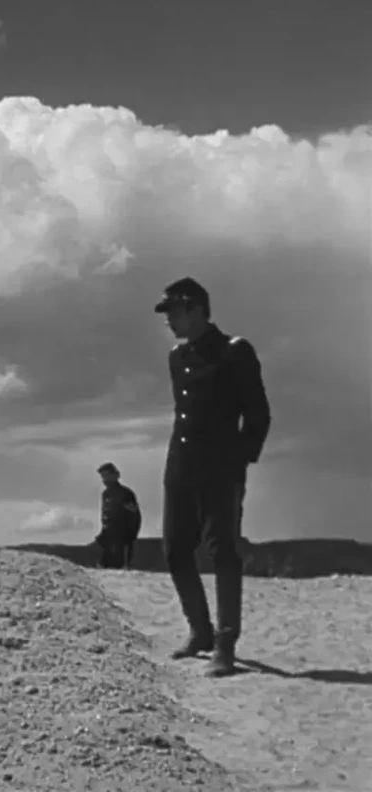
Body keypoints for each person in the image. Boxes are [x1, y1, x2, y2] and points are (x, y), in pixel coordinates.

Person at [156, 277, 271, 678]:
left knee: (223, 551)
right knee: (174, 548)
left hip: (221, 468)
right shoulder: (176, 356)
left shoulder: (234, 352)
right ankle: (200, 631)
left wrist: (237, 462)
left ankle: (225, 642)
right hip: (182, 466)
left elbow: (257, 415)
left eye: (173, 313)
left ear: (195, 309)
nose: (169, 321)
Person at [94, 462, 141, 570]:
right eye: (103, 477)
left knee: (118, 570)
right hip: (108, 537)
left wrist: (131, 535)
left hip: (122, 538)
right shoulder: (106, 494)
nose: (104, 480)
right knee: (103, 568)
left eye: (106, 476)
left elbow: (135, 515)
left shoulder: (125, 494)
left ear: (115, 475)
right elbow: (106, 514)